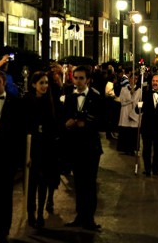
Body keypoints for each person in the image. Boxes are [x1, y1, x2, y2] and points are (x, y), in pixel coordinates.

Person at [62, 65, 103, 231]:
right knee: (78, 183)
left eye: (81, 78)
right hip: (75, 147)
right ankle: (80, 214)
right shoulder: (70, 98)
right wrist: (67, 124)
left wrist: (86, 124)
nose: (78, 81)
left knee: (90, 183)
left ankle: (89, 218)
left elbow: (103, 119)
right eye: (76, 78)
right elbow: (64, 118)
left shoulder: (96, 97)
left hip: (91, 147)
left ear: (88, 80)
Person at [0, 70, 24, 242]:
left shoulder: (15, 103)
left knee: (6, 193)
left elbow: (20, 131)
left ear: (4, 82)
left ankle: (4, 227)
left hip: (8, 155)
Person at [25, 71, 60, 229]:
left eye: (46, 82)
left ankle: (40, 213)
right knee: (31, 183)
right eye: (41, 83)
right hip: (31, 146)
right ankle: (31, 212)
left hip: (46, 147)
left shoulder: (50, 101)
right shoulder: (27, 101)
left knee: (44, 182)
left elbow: (53, 124)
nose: (45, 86)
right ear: (34, 85)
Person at [138, 74, 158, 176]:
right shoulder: (145, 94)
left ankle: (156, 169)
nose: (154, 83)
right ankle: (147, 169)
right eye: (153, 81)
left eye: (157, 81)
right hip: (147, 127)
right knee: (146, 149)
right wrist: (139, 106)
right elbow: (138, 111)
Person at [116, 74, 141, 155]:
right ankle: (125, 148)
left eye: (135, 78)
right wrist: (131, 98)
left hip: (134, 112)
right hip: (125, 112)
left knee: (133, 131)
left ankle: (132, 149)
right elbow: (122, 101)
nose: (133, 80)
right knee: (125, 131)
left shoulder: (139, 90)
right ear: (129, 79)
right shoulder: (124, 89)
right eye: (132, 78)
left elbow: (139, 102)